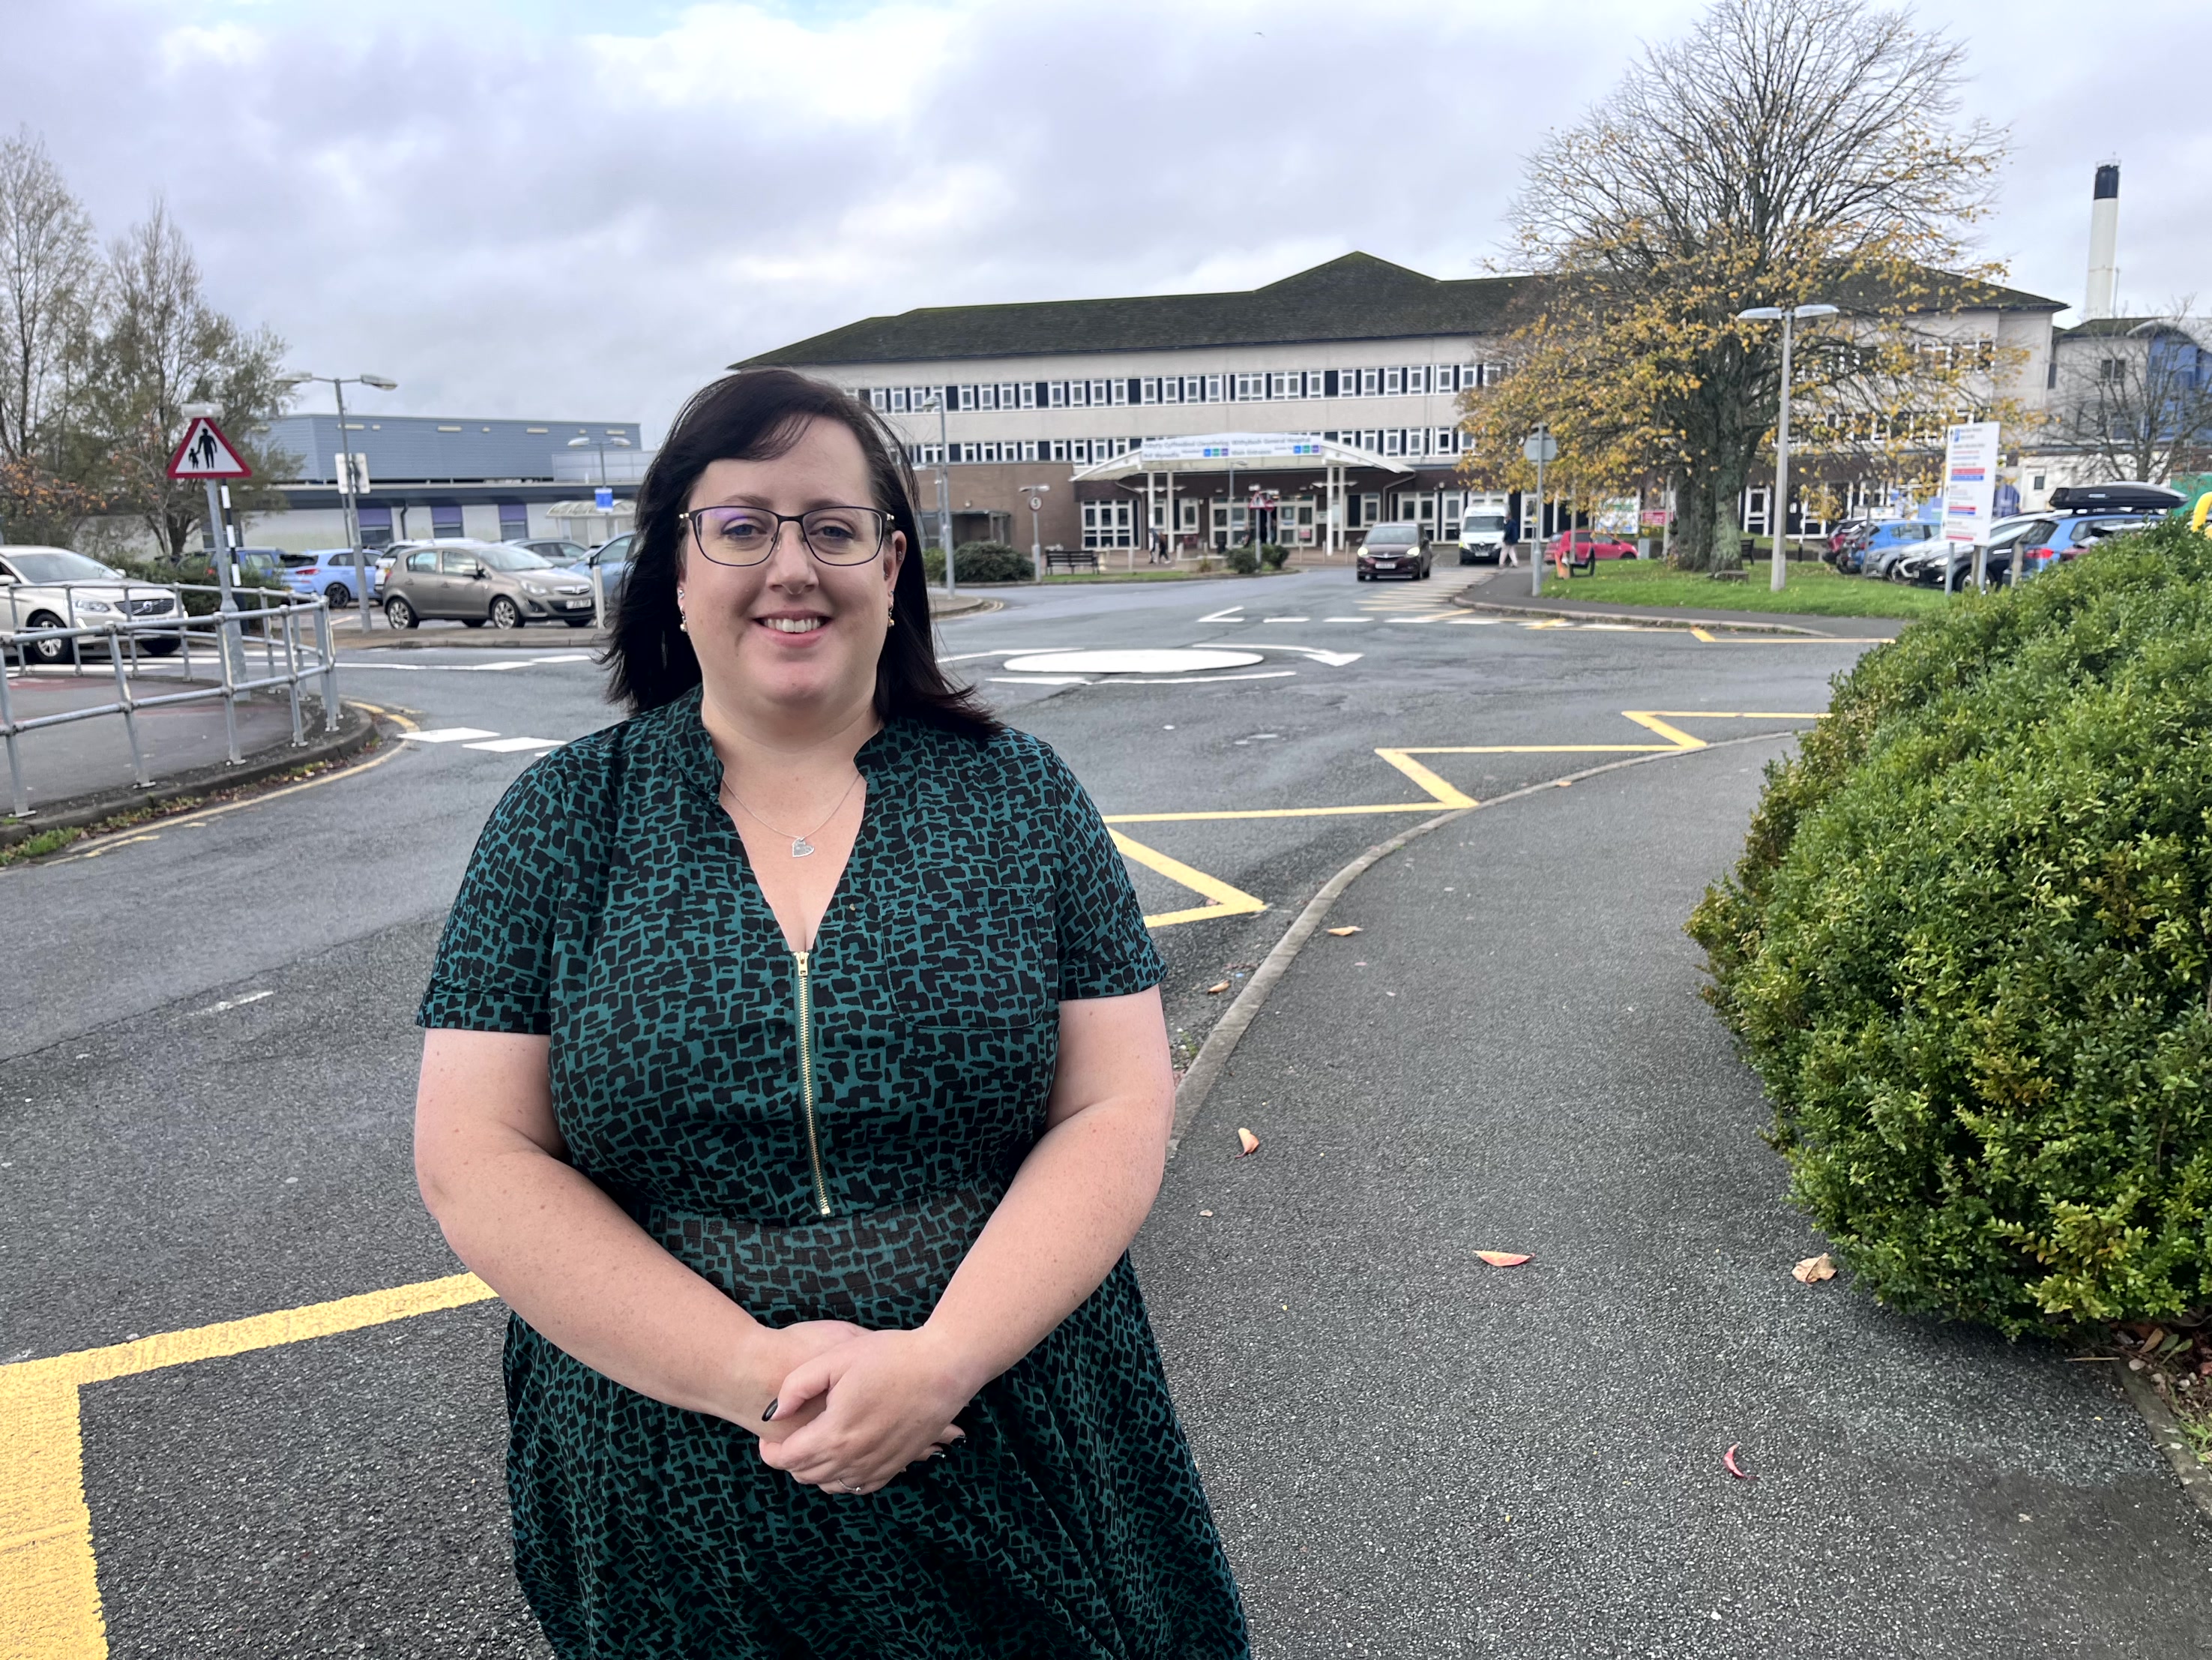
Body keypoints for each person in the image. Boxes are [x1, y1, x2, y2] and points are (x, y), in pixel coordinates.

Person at [413, 368, 1249, 1659]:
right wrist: (766, 1383)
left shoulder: (1021, 799)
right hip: (669, 1482)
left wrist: (939, 1361)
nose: (791, 566)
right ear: (675, 567)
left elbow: (1117, 1102)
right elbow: (476, 1154)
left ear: (892, 565)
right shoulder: (564, 820)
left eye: (832, 527)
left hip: (1011, 1432)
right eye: (742, 526)